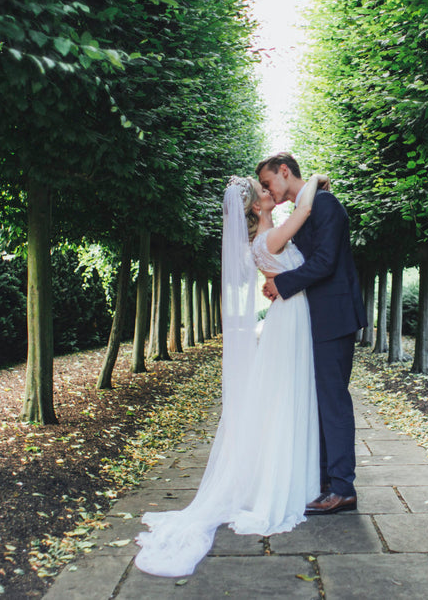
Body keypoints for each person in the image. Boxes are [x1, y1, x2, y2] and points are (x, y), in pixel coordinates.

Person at [133, 172, 329, 577]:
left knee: (284, 399)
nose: (270, 191)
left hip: (289, 317)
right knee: (288, 397)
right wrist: (315, 178)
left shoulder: (268, 235)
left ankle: (292, 476)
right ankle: (288, 483)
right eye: (263, 191)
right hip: (290, 320)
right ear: (256, 207)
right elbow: (305, 208)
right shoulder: (267, 240)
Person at [258, 152, 367, 516]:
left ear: (284, 172)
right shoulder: (306, 208)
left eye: (268, 181)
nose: (267, 190)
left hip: (334, 318)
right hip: (314, 320)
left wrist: (281, 284)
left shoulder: (326, 205)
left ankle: (342, 488)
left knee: (333, 401)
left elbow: (325, 263)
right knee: (320, 401)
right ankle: (324, 481)